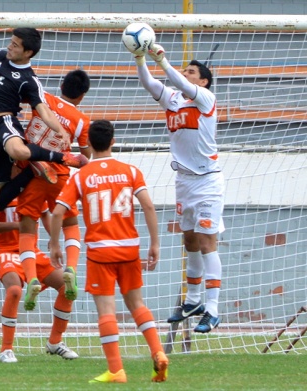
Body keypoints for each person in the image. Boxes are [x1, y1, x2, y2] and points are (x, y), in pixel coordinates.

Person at [49, 120, 168, 383]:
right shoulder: (130, 171)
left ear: (88, 143)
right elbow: (148, 206)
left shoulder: (81, 176)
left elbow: (58, 212)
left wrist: (55, 245)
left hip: (100, 252)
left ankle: (116, 370)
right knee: (137, 304)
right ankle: (158, 352)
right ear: (113, 141)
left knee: (106, 311)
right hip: (129, 248)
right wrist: (155, 244)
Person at [132, 41, 225, 333]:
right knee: (189, 241)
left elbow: (176, 79)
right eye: (186, 70)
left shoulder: (206, 99)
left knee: (208, 242)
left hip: (208, 180)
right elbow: (148, 83)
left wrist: (163, 62)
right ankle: (193, 300)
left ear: (204, 81)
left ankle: (212, 309)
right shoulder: (173, 99)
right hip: (183, 181)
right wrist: (139, 58)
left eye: (192, 72)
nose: (187, 74)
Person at [0, 27, 87, 214]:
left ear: (28, 52)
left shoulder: (30, 80)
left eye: (15, 45)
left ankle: (61, 158)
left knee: (18, 151)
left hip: (5, 121)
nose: (9, 47)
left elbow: (43, 110)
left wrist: (61, 131)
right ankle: (31, 171)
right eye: (11, 42)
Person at [16, 69, 93, 311]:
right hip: (60, 174)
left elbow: (19, 100)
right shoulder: (82, 120)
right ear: (82, 95)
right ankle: (71, 267)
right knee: (71, 224)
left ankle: (31, 279)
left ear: (61, 86)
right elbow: (86, 155)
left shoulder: (45, 99)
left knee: (27, 228)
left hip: (31, 171)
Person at [0, 198, 78, 363]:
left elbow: (45, 215)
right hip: (4, 250)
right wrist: (19, 226)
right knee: (14, 290)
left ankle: (54, 342)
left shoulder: (34, 190)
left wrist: (53, 240)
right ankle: (6, 349)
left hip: (30, 250)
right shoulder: (0, 192)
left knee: (67, 286)